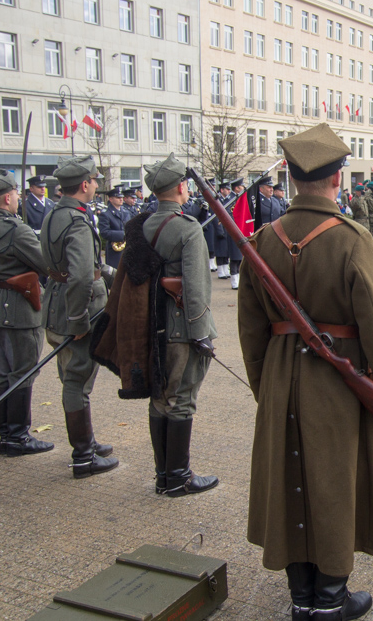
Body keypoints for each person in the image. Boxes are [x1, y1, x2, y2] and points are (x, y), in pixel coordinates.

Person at [239, 123, 373, 621]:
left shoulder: (261, 241)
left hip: (279, 377)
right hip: (339, 383)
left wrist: (266, 387)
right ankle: (330, 602)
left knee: (292, 480)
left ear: (290, 178)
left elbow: (252, 330)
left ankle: (302, 599)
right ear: (338, 178)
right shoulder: (352, 239)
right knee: (336, 483)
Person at [142, 154, 219, 497]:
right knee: (182, 398)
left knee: (159, 398)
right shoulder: (186, 228)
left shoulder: (141, 224)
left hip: (151, 325)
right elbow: (196, 287)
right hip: (180, 328)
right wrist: (201, 333)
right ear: (180, 187)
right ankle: (178, 478)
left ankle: (163, 475)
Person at [41, 155, 118, 478]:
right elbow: (82, 277)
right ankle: (83, 456)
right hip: (77, 312)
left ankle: (85, 439)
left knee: (72, 378)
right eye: (95, 181)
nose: (97, 185)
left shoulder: (54, 214)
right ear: (84, 185)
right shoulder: (75, 221)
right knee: (76, 381)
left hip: (57, 305)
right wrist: (78, 322)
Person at [0, 169, 54, 457]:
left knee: (1, 373)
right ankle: (18, 437)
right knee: (22, 373)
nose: (18, 198)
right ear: (7, 197)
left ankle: (6, 434)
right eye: (16, 193)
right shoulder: (17, 230)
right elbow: (46, 265)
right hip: (19, 308)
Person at [98, 186, 130, 269]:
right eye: (118, 197)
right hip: (115, 250)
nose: (121, 199)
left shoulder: (126, 212)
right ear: (111, 199)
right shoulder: (105, 214)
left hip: (127, 248)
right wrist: (123, 235)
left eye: (122, 197)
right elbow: (104, 232)